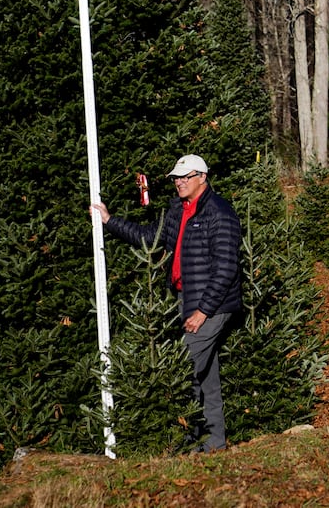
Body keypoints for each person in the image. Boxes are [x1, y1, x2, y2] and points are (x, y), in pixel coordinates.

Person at [92, 153, 244, 453]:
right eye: (176, 178)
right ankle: (214, 445)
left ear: (202, 177)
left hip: (211, 306)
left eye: (186, 177)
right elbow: (152, 237)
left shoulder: (219, 212)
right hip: (186, 299)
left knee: (184, 369)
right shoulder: (179, 209)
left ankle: (187, 444)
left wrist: (202, 312)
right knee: (206, 374)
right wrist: (110, 221)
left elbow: (226, 268)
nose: (179, 182)